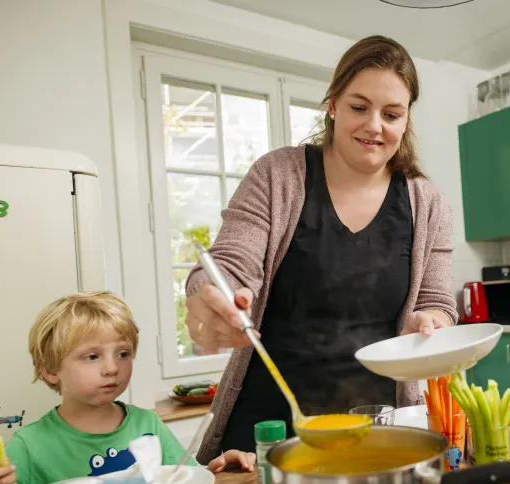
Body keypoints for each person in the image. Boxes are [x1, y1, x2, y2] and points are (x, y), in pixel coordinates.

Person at [183, 35, 457, 460]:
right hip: (266, 434)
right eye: (359, 107)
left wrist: (430, 323)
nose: (374, 126)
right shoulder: (277, 176)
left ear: (406, 120)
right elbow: (231, 262)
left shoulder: (428, 203)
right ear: (333, 105)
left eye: (391, 114)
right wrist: (213, 294)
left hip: (377, 429)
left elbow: (437, 302)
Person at [0, 292, 253, 484]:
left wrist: (216, 468)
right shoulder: (29, 446)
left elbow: (184, 479)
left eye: (123, 353)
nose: (112, 368)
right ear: (50, 369)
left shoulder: (148, 424)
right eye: (92, 357)